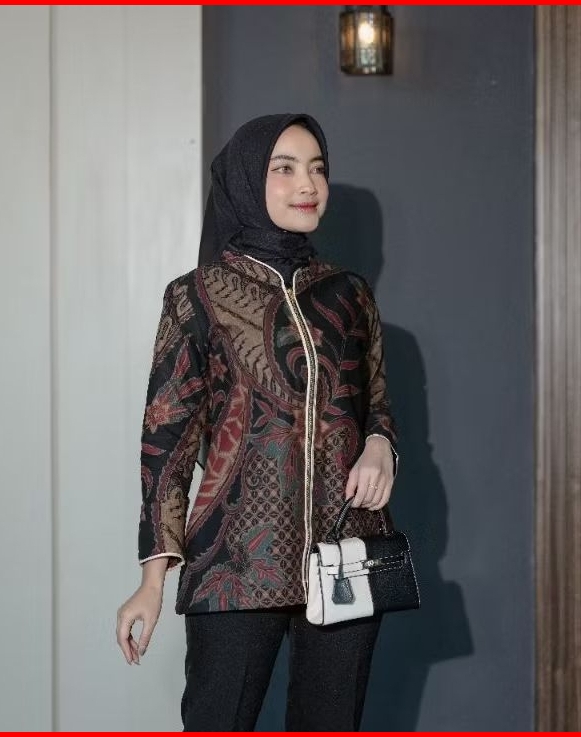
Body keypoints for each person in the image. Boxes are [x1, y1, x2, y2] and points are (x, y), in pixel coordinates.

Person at [116, 113, 399, 731]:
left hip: (345, 552)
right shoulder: (197, 296)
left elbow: (375, 398)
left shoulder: (350, 294)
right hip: (237, 561)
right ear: (247, 180)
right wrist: (152, 579)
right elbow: (166, 440)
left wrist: (381, 444)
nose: (308, 184)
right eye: (285, 168)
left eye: (318, 169)